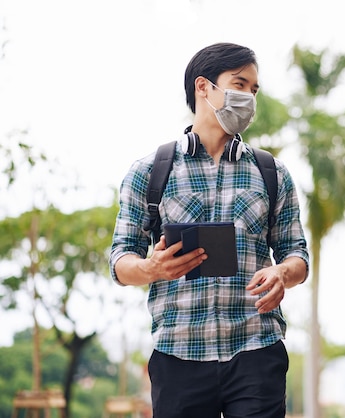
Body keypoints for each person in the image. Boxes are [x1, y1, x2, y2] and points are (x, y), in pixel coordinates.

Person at [109, 42, 309, 418]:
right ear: (204, 87)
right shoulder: (150, 172)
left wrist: (282, 273)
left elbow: (297, 254)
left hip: (256, 351)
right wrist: (151, 268)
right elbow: (120, 260)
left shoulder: (272, 174)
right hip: (178, 354)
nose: (248, 96)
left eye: (254, 89)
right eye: (239, 83)